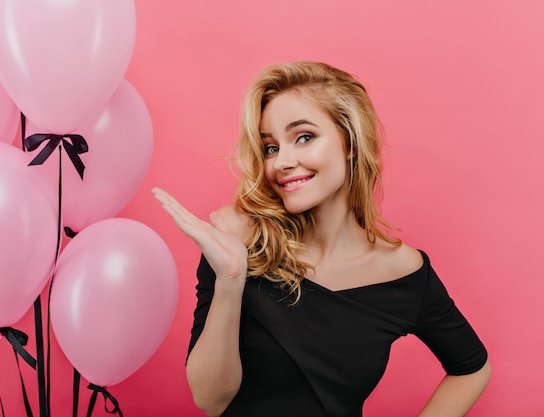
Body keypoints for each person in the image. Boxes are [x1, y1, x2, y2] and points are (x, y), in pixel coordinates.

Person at [153, 61, 490, 417]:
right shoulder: (236, 240)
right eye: (270, 147)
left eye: (304, 137)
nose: (281, 162)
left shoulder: (404, 273)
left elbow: (471, 368)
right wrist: (231, 280)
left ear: (349, 142)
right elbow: (210, 400)